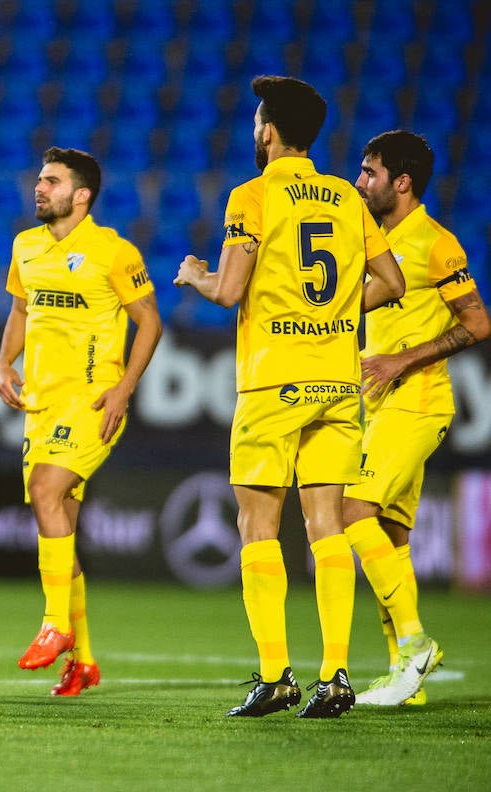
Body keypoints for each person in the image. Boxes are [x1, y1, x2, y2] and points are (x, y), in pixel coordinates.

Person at [174, 76, 405, 718]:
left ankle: (276, 674)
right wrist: (329, 310)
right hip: (336, 379)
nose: (255, 131)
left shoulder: (252, 195)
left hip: (274, 379)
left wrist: (196, 275)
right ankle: (335, 675)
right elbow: (393, 281)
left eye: (256, 122)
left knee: (258, 525)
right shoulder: (346, 198)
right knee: (327, 528)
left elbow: (227, 290)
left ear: (268, 131)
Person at [0, 147, 162, 697]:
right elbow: (22, 310)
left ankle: (55, 625)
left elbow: (149, 322)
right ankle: (84, 661)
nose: (39, 188)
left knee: (46, 492)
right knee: (57, 523)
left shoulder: (113, 251)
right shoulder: (26, 246)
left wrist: (123, 388)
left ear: (81, 195)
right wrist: (4, 363)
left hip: (93, 403)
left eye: (51, 181)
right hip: (41, 406)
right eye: (39, 180)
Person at [342, 130, 489, 706]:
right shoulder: (372, 239)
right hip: (378, 405)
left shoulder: (435, 243)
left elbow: (478, 324)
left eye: (369, 172)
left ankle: (415, 642)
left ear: (401, 182)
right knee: (393, 538)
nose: (360, 182)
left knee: (353, 511)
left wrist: (403, 357)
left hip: (419, 401)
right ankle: (406, 676)